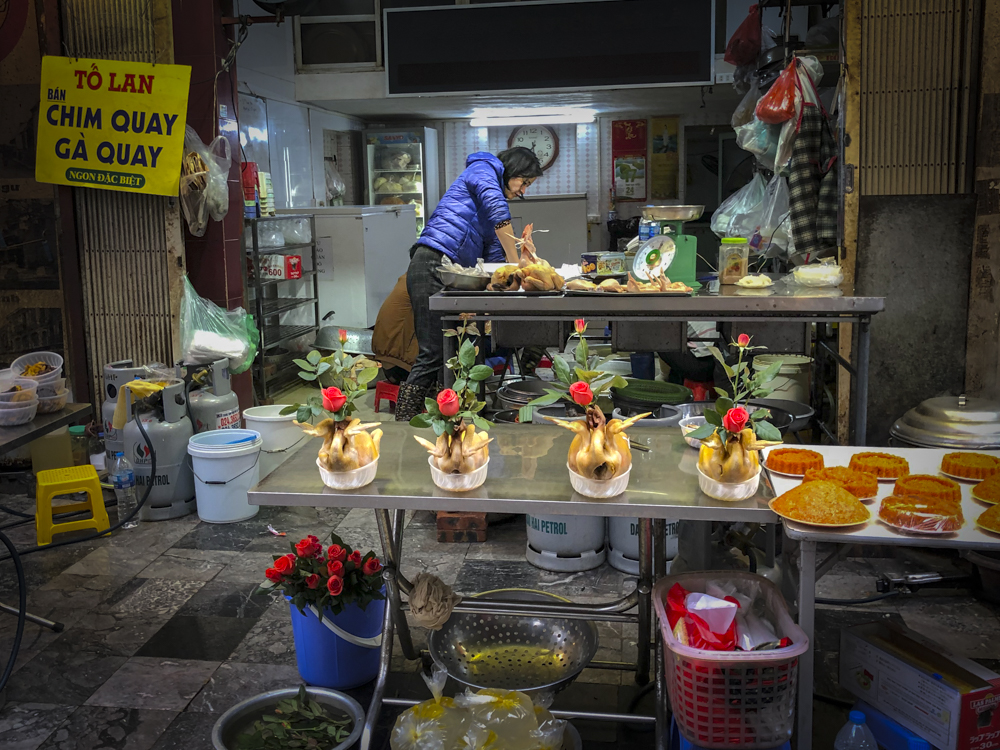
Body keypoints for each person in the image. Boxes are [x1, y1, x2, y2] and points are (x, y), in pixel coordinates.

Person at [395, 147, 543, 421]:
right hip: (430, 262)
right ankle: (404, 421)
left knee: (457, 350)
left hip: (450, 272)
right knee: (434, 351)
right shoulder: (483, 169)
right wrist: (518, 261)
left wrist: (522, 264)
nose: (523, 191)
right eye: (524, 182)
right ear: (511, 170)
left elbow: (496, 260)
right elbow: (499, 212)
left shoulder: (491, 202)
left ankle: (448, 420)